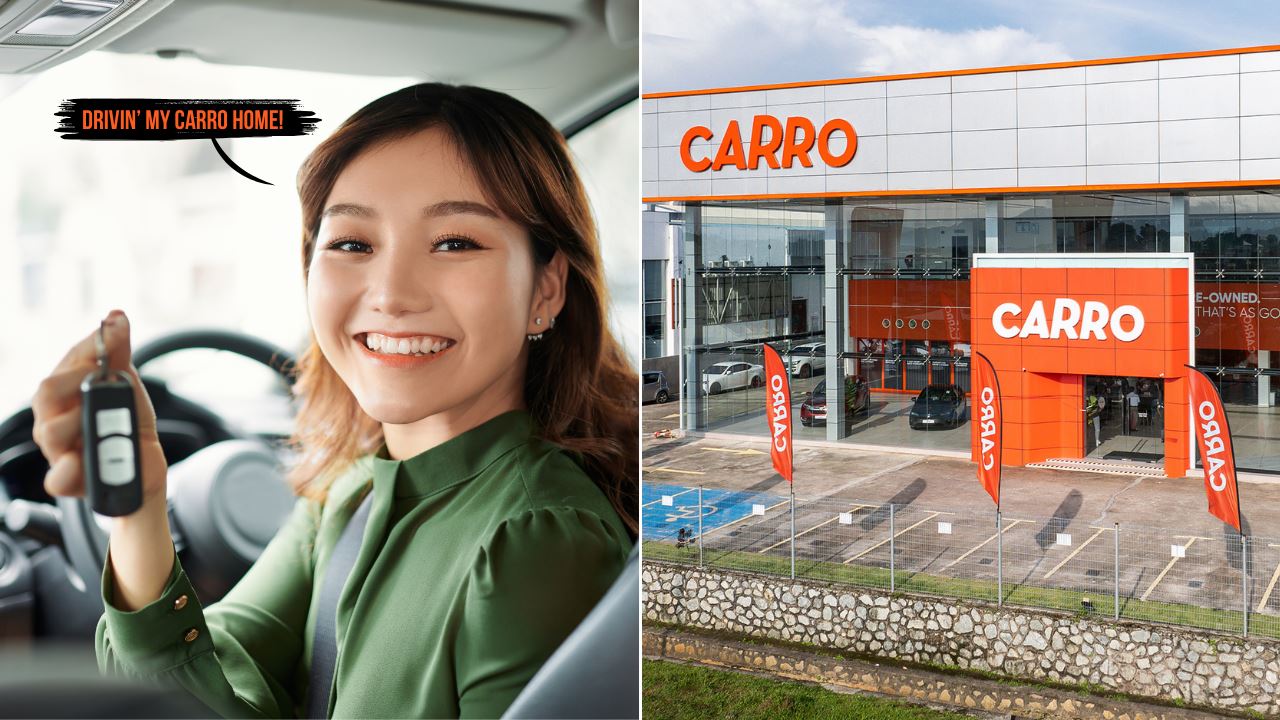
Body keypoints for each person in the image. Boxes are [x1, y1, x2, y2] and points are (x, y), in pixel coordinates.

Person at [30, 83, 638, 719]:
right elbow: (187, 697)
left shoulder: (535, 538)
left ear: (546, 289)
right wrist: (139, 512)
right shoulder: (351, 491)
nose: (392, 292)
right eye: (352, 244)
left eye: (455, 242)